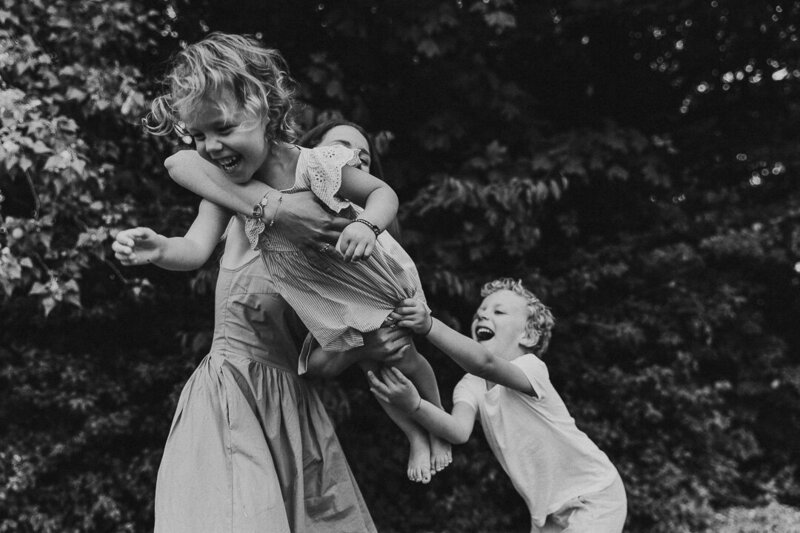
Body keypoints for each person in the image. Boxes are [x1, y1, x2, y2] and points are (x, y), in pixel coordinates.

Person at [150, 32, 451, 482]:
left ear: (264, 110)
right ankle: (418, 430)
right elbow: (192, 247)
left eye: (223, 129)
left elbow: (382, 195)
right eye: (199, 134)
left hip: (362, 287)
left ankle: (435, 424)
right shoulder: (225, 187)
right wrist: (158, 248)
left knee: (403, 357)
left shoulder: (313, 167)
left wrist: (365, 226)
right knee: (377, 366)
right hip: (315, 315)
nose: (211, 147)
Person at [368, 278, 628, 533]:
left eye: (498, 311)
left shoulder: (531, 368)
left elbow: (484, 363)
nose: (482, 317)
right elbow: (458, 431)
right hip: (545, 513)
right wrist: (414, 404)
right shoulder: (470, 385)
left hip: (594, 495)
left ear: (528, 334)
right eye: (479, 313)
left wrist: (429, 326)